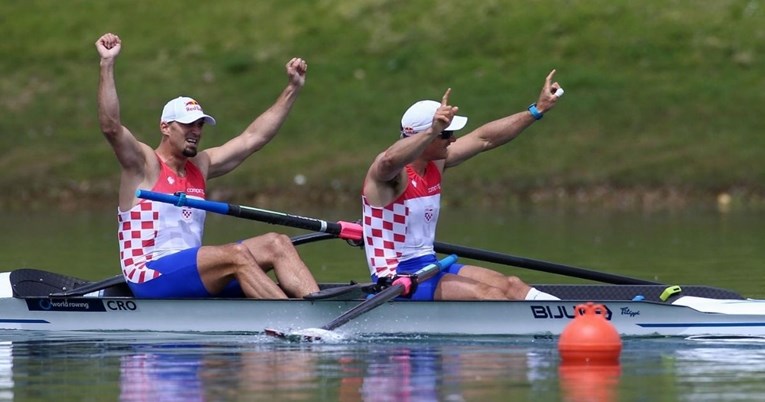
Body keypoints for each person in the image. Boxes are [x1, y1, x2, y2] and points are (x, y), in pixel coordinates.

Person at [95, 32, 319, 299]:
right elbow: (111, 127)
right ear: (165, 127)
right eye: (188, 124)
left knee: (277, 243)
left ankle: (316, 315)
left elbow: (253, 138)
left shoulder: (200, 166)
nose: (196, 131)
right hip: (149, 274)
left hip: (192, 274)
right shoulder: (144, 165)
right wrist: (107, 64)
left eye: (200, 124)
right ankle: (292, 322)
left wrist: (293, 88)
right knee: (236, 255)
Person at [361, 71, 564, 301]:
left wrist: (537, 110)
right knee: (486, 294)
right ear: (424, 135)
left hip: (429, 266)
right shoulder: (389, 176)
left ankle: (567, 322)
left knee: (511, 285)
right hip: (396, 279)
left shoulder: (436, 163)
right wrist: (432, 130)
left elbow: (484, 138)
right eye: (446, 134)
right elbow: (389, 159)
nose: (453, 139)